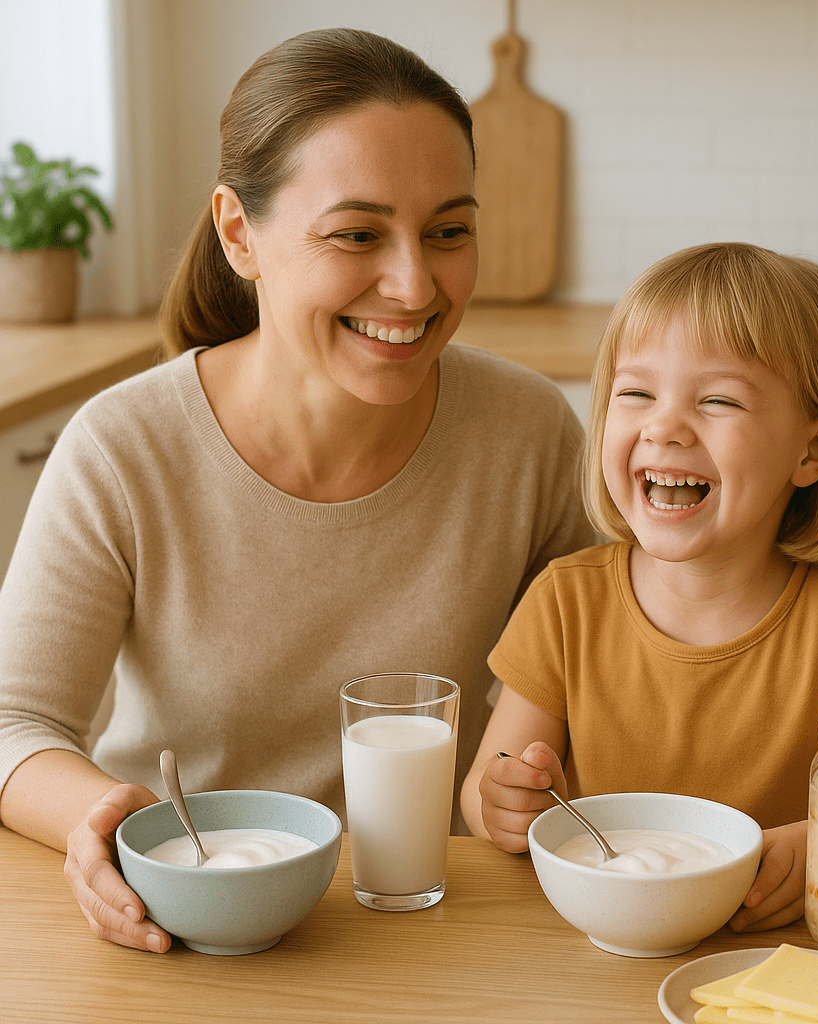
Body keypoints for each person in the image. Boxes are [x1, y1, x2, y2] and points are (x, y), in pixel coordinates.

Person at [0, 28, 593, 952]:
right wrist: (103, 820)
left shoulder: (529, 433)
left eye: (448, 232)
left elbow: (596, 678)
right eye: (358, 234)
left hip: (430, 924)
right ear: (240, 234)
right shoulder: (124, 449)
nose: (414, 285)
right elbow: (14, 722)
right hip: (186, 923)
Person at [461, 242, 818, 932]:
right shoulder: (565, 603)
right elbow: (483, 794)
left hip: (786, 958)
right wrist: (506, 804)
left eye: (717, 400)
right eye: (636, 393)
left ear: (813, 450)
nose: (663, 426)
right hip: (599, 949)